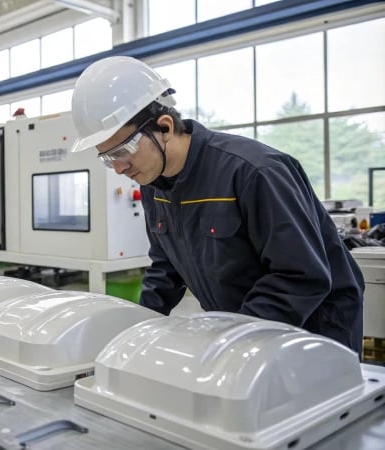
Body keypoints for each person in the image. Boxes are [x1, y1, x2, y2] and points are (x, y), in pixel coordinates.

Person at [69, 56, 365, 354]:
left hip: (313, 331)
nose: (119, 168)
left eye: (124, 149)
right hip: (245, 332)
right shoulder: (153, 185)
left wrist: (233, 341)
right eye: (108, 158)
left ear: (165, 127)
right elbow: (165, 269)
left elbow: (301, 275)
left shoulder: (253, 172)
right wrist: (136, 334)